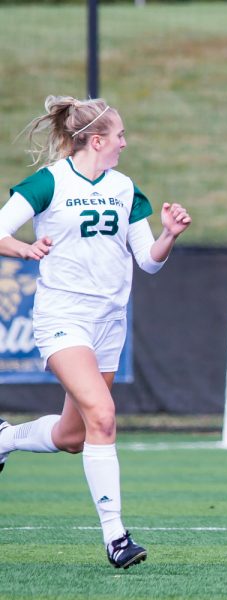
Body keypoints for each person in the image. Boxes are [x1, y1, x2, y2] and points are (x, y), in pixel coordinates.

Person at [0, 95, 192, 569]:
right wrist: (25, 251)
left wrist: (167, 235)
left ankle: (4, 439)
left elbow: (147, 263)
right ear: (98, 139)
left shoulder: (126, 188)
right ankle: (116, 537)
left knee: (74, 435)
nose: (125, 143)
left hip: (110, 322)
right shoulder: (50, 182)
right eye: (120, 135)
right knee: (103, 415)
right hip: (63, 315)